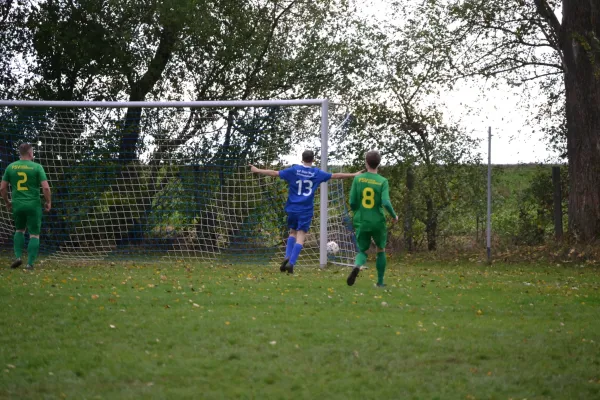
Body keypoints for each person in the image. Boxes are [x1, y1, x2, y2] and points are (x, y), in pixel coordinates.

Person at [250, 150, 360, 274]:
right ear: (313, 160)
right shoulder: (316, 173)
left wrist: (257, 170)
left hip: (292, 208)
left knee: (292, 232)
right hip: (305, 210)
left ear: (302, 158)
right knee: (301, 236)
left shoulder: (294, 170)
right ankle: (291, 263)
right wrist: (353, 174)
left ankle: (287, 256)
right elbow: (335, 175)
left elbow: (274, 173)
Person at [346, 150, 397, 287]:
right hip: (377, 221)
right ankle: (380, 283)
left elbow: (352, 202)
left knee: (362, 250)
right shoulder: (382, 181)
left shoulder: (358, 179)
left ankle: (357, 266)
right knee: (381, 249)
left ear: (366, 162)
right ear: (378, 163)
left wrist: (357, 211)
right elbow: (386, 202)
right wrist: (394, 216)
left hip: (361, 219)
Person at [0, 143, 51, 271]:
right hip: (33, 204)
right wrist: (48, 201)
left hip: (17, 204)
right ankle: (29, 264)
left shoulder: (11, 167)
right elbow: (45, 187)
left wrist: (7, 202)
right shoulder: (37, 167)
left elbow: (2, 188)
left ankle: (18, 257)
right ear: (30, 153)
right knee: (34, 234)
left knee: (19, 230)